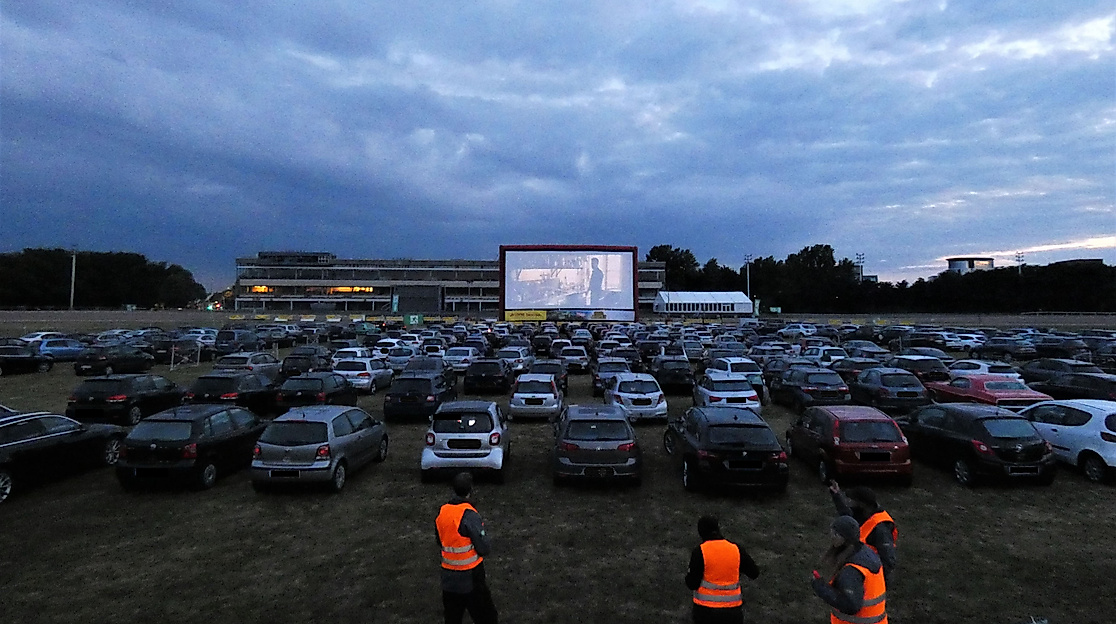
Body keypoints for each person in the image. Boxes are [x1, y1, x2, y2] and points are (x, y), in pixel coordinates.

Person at [435, 472, 498, 624]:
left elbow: (439, 540)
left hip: (448, 578)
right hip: (471, 577)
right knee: (487, 618)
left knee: (452, 618)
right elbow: (483, 547)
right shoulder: (469, 515)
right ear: (470, 491)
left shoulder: (443, 512)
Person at [811, 516, 888, 624]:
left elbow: (850, 606)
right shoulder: (866, 554)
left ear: (845, 539)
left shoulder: (851, 572)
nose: (832, 536)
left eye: (835, 534)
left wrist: (820, 587)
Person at [685, 515, 760, 624]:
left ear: (701, 532)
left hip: (705, 612)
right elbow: (754, 573)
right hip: (732, 612)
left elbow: (692, 583)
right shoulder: (736, 549)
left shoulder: (700, 551)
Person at [829, 481, 897, 581]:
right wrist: (836, 495)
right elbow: (847, 516)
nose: (849, 502)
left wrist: (875, 579)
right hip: (858, 566)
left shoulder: (881, 528)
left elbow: (888, 560)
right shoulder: (864, 513)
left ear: (861, 504)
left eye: (852, 500)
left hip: (869, 574)